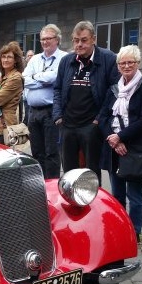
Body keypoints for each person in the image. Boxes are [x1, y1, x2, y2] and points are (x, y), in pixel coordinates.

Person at [99, 45, 142, 243]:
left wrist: (122, 137)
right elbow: (104, 116)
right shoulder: (114, 88)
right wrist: (113, 140)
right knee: (117, 194)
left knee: (134, 195)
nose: (126, 66)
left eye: (130, 62)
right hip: (113, 147)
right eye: (123, 63)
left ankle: (135, 231)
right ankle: (119, 227)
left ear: (138, 63)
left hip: (134, 148)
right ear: (117, 66)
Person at [53, 20, 119, 184]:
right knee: (69, 172)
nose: (79, 44)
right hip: (67, 124)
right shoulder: (66, 61)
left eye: (84, 40)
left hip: (91, 125)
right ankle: (71, 204)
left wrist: (99, 119)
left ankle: (94, 204)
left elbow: (114, 91)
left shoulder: (108, 58)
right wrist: (58, 115)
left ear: (93, 39)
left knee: (92, 172)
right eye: (76, 40)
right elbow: (57, 89)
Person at [23, 24, 67, 178]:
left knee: (51, 153)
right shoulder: (34, 59)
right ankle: (39, 185)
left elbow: (55, 78)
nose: (45, 42)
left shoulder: (64, 58)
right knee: (37, 152)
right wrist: (43, 79)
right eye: (42, 39)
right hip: (33, 112)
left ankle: (52, 187)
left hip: (51, 111)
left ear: (57, 40)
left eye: (49, 38)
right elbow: (24, 80)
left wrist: (36, 77)